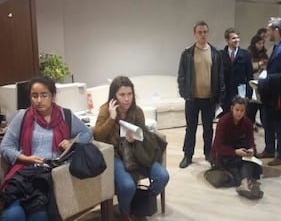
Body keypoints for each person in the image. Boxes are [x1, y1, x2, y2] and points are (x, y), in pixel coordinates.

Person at [0, 75, 92, 221]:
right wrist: (25, 158)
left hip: (50, 175)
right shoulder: (22, 116)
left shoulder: (65, 116)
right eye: (34, 96)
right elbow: (5, 146)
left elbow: (87, 133)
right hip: (25, 172)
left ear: (53, 96)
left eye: (44, 95)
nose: (38, 100)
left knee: (39, 216)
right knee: (12, 215)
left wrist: (71, 142)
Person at [93, 76, 169, 221]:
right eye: (122, 95)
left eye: (129, 94)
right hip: (116, 155)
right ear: (114, 96)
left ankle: (139, 202)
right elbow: (97, 136)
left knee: (162, 176)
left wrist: (137, 138)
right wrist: (112, 118)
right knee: (127, 185)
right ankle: (125, 211)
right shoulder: (106, 110)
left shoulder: (137, 111)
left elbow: (144, 133)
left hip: (137, 153)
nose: (126, 99)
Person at [177, 21, 225, 168]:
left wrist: (219, 97)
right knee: (190, 128)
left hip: (209, 99)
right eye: (200, 32)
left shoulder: (216, 53)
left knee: (208, 128)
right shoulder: (187, 53)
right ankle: (188, 155)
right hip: (192, 99)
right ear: (194, 34)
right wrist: (184, 93)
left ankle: (208, 153)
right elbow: (182, 76)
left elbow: (220, 76)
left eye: (205, 32)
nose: (203, 35)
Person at [256, 17, 281, 166]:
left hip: (279, 94)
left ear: (276, 31)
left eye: (269, 30)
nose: (267, 33)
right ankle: (269, 149)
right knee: (267, 122)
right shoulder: (277, 46)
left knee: (279, 125)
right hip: (271, 92)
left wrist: (269, 78)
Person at [210, 96, 263, 199]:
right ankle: (247, 183)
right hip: (225, 154)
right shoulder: (223, 121)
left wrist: (252, 149)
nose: (239, 113)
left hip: (240, 153)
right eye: (237, 110)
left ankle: (244, 185)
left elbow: (251, 141)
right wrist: (235, 152)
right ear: (232, 109)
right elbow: (217, 146)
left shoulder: (247, 122)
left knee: (246, 162)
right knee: (244, 166)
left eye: (242, 110)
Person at [221, 28, 253, 113]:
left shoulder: (245, 55)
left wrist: (248, 94)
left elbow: (250, 76)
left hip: (240, 94)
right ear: (227, 40)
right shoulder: (221, 55)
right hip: (226, 95)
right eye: (233, 38)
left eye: (238, 37)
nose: (236, 40)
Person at [246, 35, 268, 130]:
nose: (261, 45)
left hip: (262, 82)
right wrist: (259, 64)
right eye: (259, 43)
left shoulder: (264, 54)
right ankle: (250, 124)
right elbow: (249, 68)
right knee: (251, 107)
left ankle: (263, 124)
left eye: (262, 43)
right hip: (252, 83)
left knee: (262, 106)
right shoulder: (249, 53)